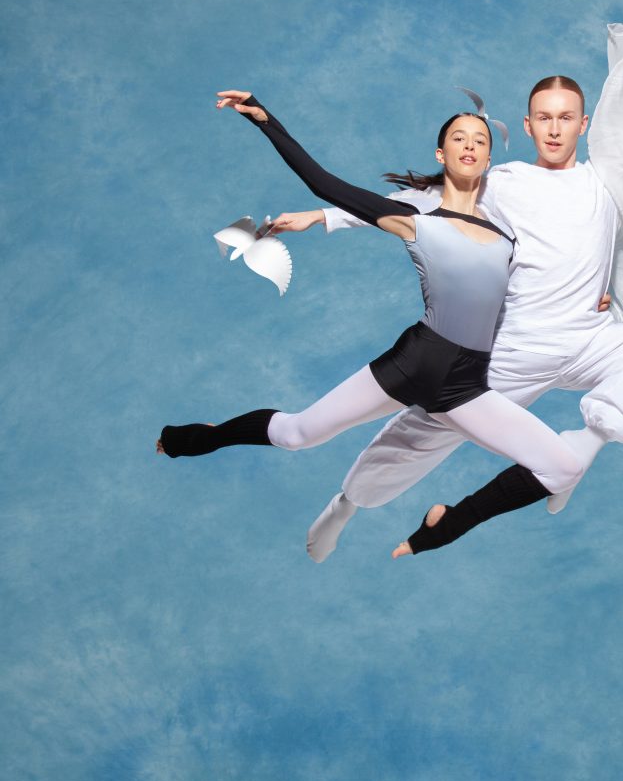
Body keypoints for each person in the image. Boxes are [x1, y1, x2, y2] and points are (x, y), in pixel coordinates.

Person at [276, 3, 623, 562]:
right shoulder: (504, 183)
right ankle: (346, 503)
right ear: (529, 124)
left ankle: (585, 445)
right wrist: (323, 217)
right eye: (545, 117)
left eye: (568, 117)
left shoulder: (605, 178)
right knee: (414, 441)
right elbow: (420, 204)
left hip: (589, 340)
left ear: (585, 124)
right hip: (513, 354)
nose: (557, 128)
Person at [156, 95, 584, 523]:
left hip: (465, 385)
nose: (469, 146)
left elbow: (535, 295)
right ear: (442, 153)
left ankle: (449, 522)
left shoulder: (507, 238)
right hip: (414, 362)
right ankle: (198, 439)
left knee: (564, 466)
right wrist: (266, 119)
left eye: (479, 141)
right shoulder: (416, 220)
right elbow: (323, 182)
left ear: (488, 159)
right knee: (296, 433)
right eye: (459, 138)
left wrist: (599, 299)